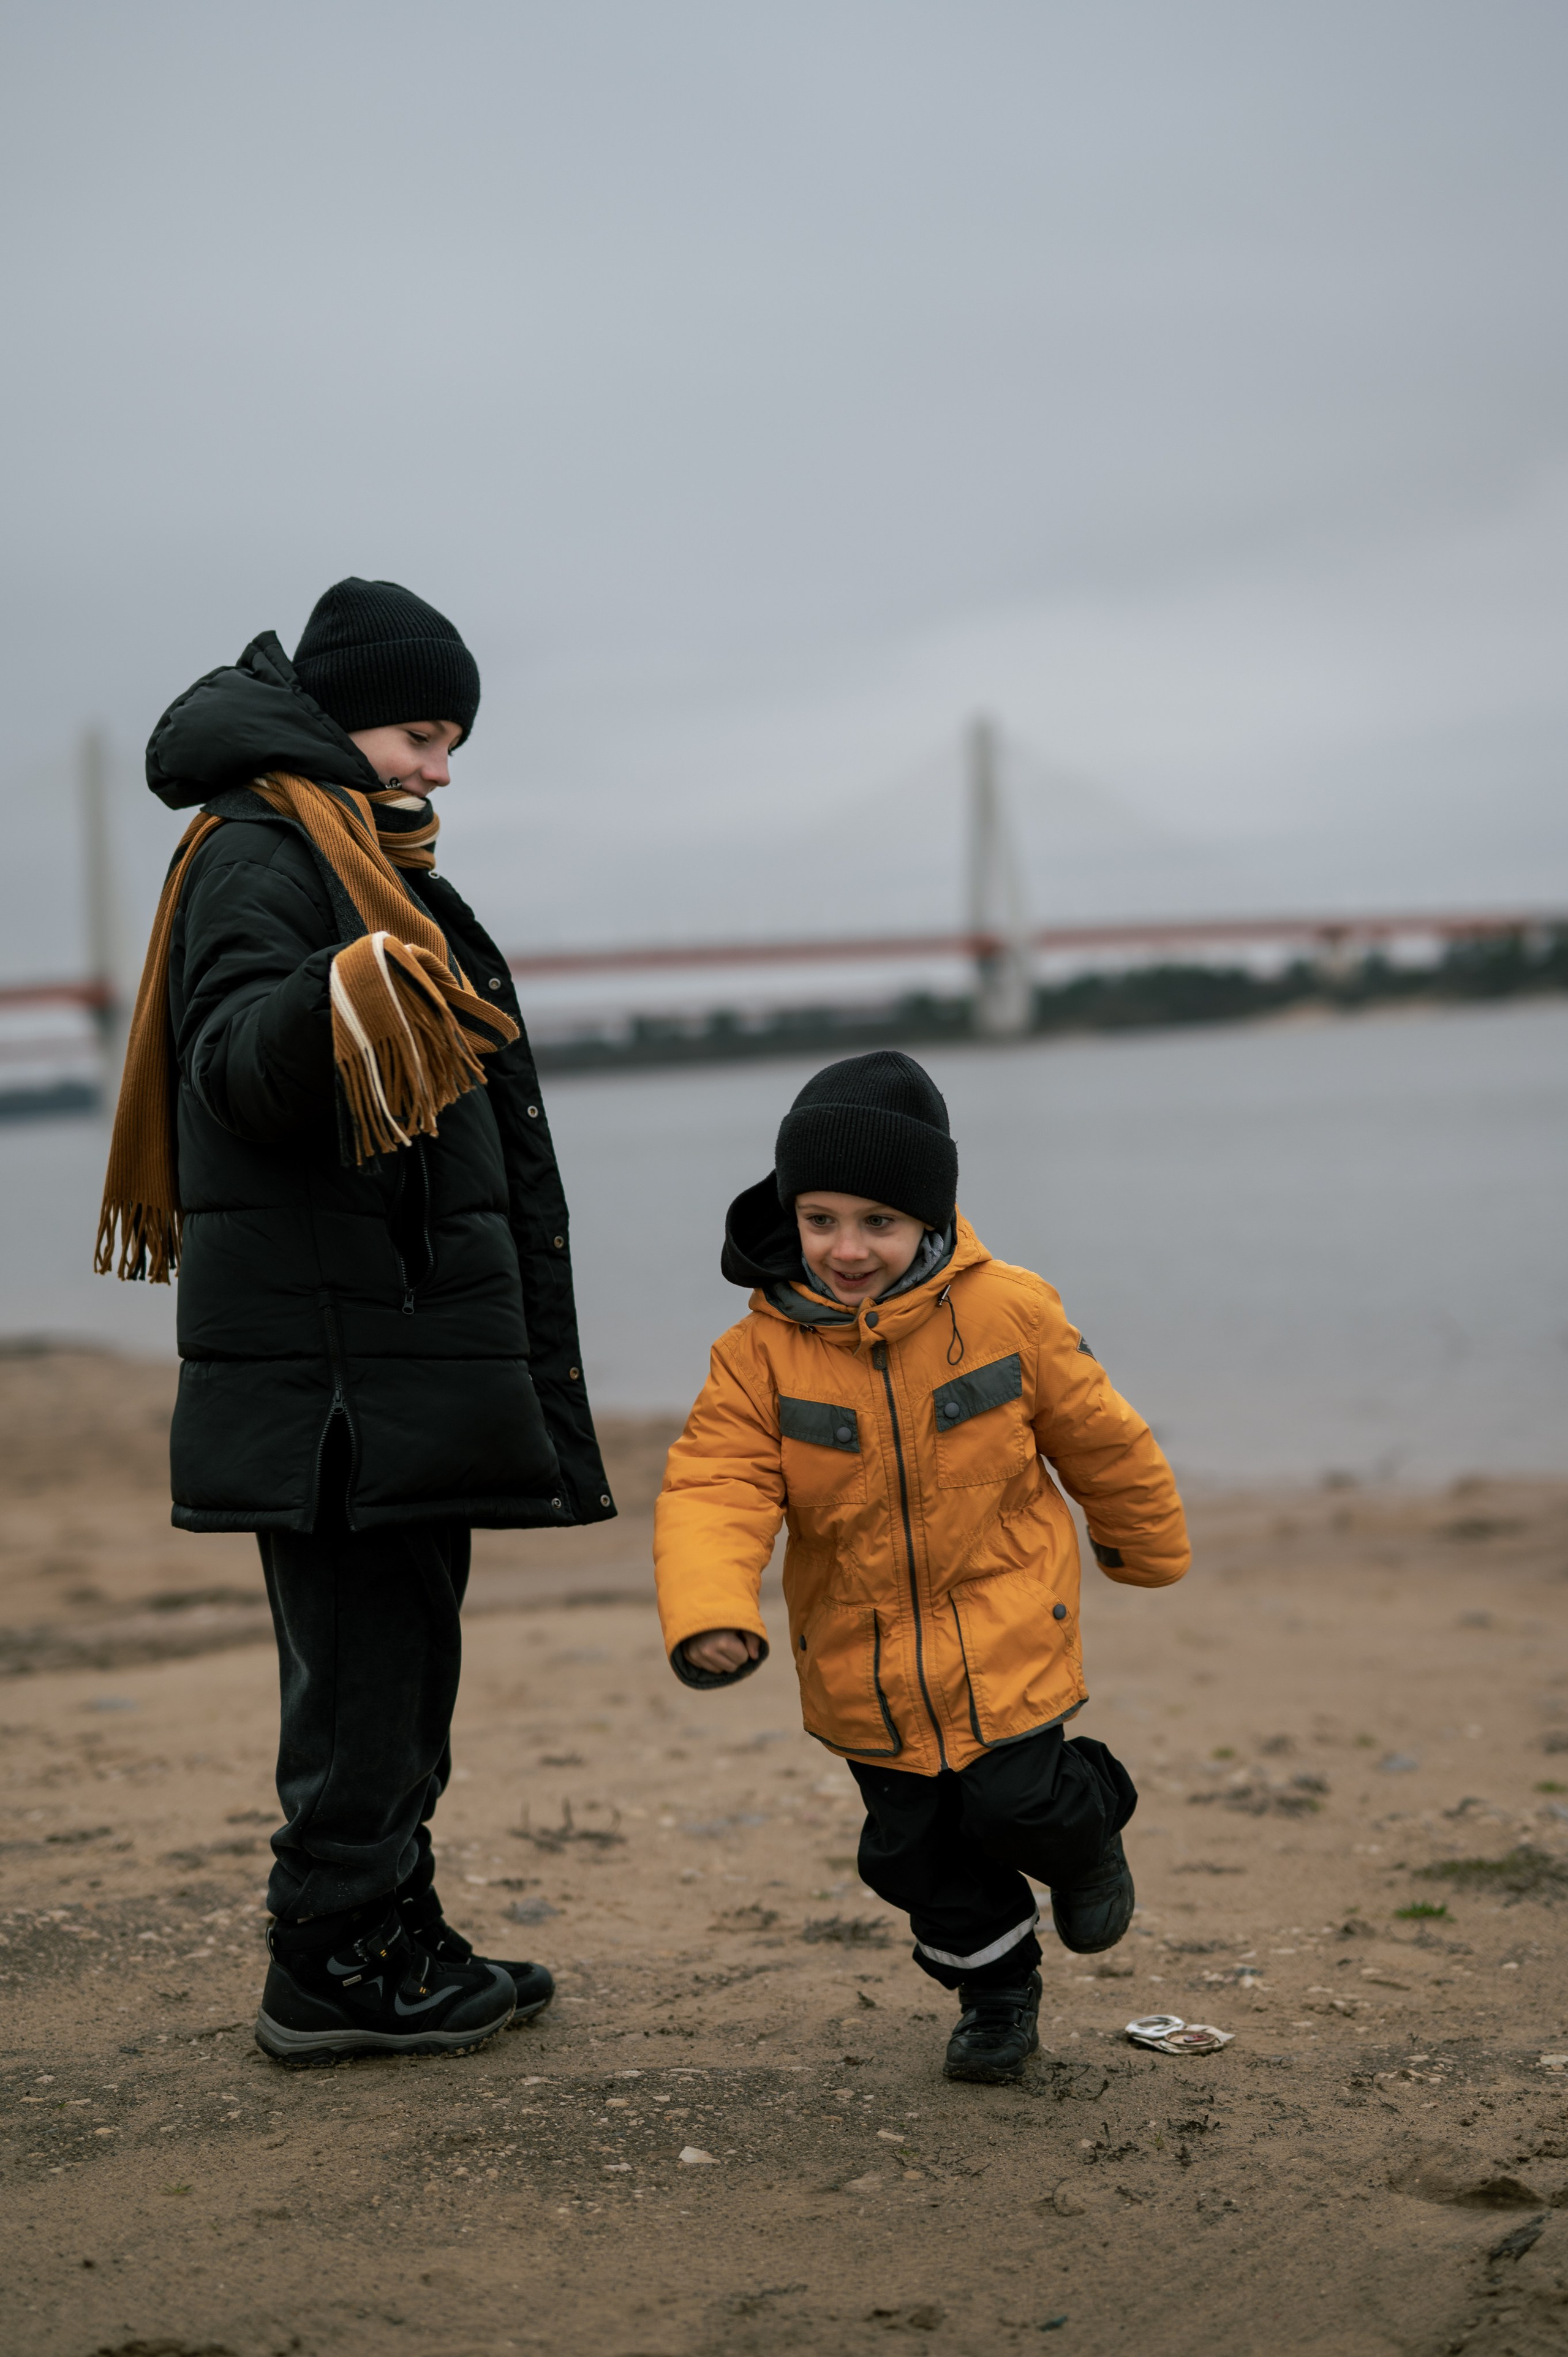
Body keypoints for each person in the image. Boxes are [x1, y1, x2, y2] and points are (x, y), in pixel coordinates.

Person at [98, 577, 615, 2061]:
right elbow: (234, 1071)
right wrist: (342, 992)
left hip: (383, 1352)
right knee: (364, 1686)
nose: (439, 770)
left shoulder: (345, 848)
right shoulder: (263, 851)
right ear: (335, 721)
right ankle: (327, 1966)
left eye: (451, 740)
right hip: (339, 1369)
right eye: (418, 733)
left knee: (400, 1673)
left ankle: (392, 1925)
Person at [654, 1049, 1189, 2083]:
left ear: (930, 1215)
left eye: (878, 1223)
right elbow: (716, 1487)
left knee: (1020, 1804)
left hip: (1005, 1629)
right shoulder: (757, 1354)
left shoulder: (1010, 1312)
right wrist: (712, 1610)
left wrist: (1141, 1543)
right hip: (864, 1661)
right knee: (912, 1858)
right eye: (820, 1220)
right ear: (789, 1210)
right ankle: (996, 1994)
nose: (846, 1250)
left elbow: (1100, 1437)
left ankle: (1093, 1827)